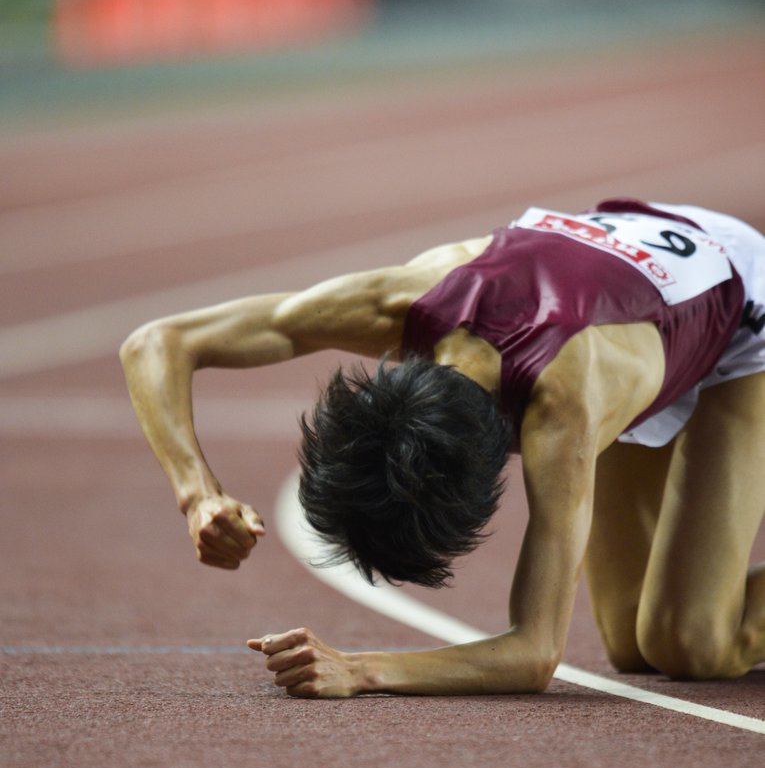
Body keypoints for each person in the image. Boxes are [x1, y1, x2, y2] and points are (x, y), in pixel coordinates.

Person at [120, 198, 765, 698]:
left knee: (688, 643)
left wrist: (362, 671)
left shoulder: (563, 408)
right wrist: (196, 494)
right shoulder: (402, 302)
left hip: (741, 312)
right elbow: (158, 343)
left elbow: (535, 653)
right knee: (629, 643)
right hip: (641, 273)